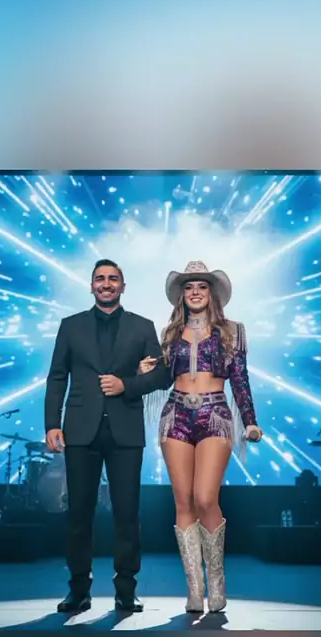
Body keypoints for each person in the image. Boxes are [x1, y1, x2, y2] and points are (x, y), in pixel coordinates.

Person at [45, 258, 170, 614]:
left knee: (127, 514)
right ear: (91, 286)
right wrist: (52, 423)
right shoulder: (71, 326)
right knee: (79, 514)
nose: (106, 283)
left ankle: (126, 590)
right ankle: (78, 590)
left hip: (125, 430)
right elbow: (57, 376)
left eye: (113, 278)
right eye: (100, 278)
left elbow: (162, 376)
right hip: (80, 429)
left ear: (123, 286)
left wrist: (126, 385)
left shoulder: (142, 326)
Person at [139, 261, 262, 614]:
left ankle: (217, 582)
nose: (195, 292)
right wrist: (145, 372)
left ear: (212, 293)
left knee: (205, 498)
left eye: (202, 286)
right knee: (183, 502)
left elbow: (240, 379)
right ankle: (195, 589)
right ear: (181, 294)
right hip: (176, 414)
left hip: (215, 414)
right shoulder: (169, 333)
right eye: (189, 286)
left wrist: (250, 422)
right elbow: (163, 379)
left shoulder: (232, 331)